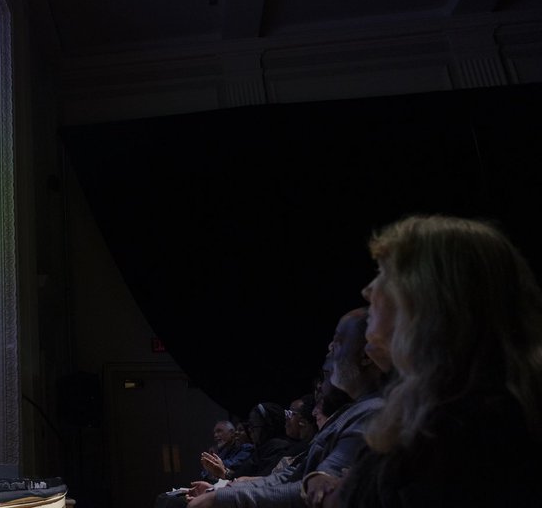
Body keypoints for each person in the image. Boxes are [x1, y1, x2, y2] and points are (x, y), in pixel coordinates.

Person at [323, 216, 542, 508]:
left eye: (384, 274)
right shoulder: (447, 405)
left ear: (428, 297)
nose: (368, 291)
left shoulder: (462, 435)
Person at [188, 308, 384, 507]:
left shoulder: (373, 413)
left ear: (367, 354)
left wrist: (221, 498)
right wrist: (220, 491)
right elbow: (291, 477)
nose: (330, 346)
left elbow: (319, 491)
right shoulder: (350, 412)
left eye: (339, 340)